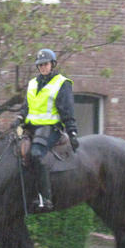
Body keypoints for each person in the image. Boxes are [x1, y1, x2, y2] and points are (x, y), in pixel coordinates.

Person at [13, 48, 78, 213]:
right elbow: (27, 106)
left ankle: (45, 198)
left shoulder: (62, 83)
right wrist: (19, 118)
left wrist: (72, 132)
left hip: (50, 128)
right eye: (40, 65)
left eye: (45, 64)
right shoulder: (33, 83)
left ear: (53, 64)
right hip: (30, 127)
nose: (43, 67)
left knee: (36, 154)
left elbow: (67, 110)